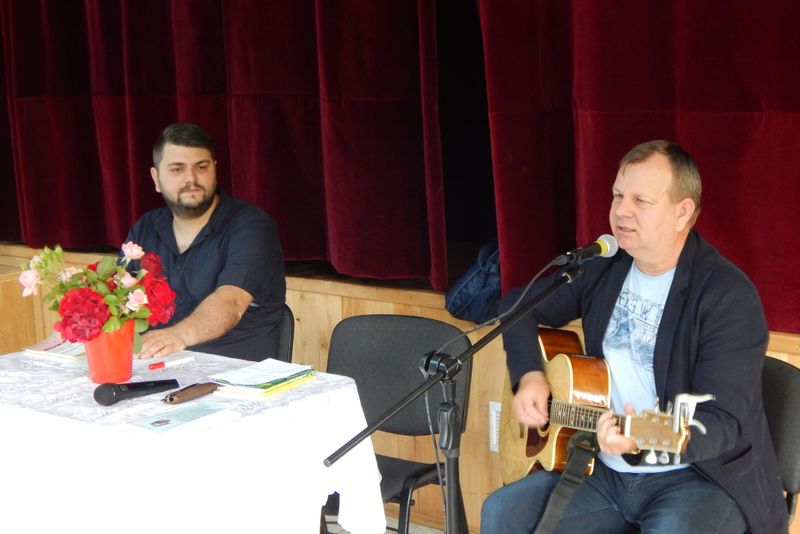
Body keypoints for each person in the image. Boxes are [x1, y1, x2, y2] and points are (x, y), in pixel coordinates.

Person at [481, 140, 787, 533]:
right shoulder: (603, 267)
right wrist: (529, 376)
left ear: (682, 212)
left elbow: (725, 422)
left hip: (698, 478)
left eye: (641, 200)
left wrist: (640, 439)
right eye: (617, 195)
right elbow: (518, 307)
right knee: (503, 513)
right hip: (603, 470)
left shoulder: (726, 296)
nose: (622, 210)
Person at [127, 122, 286, 361]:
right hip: (155, 366)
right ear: (156, 178)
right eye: (177, 169)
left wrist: (178, 336)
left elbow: (232, 301)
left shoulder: (252, 227)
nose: (191, 179)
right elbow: (119, 298)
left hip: (235, 373)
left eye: (201, 167)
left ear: (214, 170)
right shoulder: (145, 227)